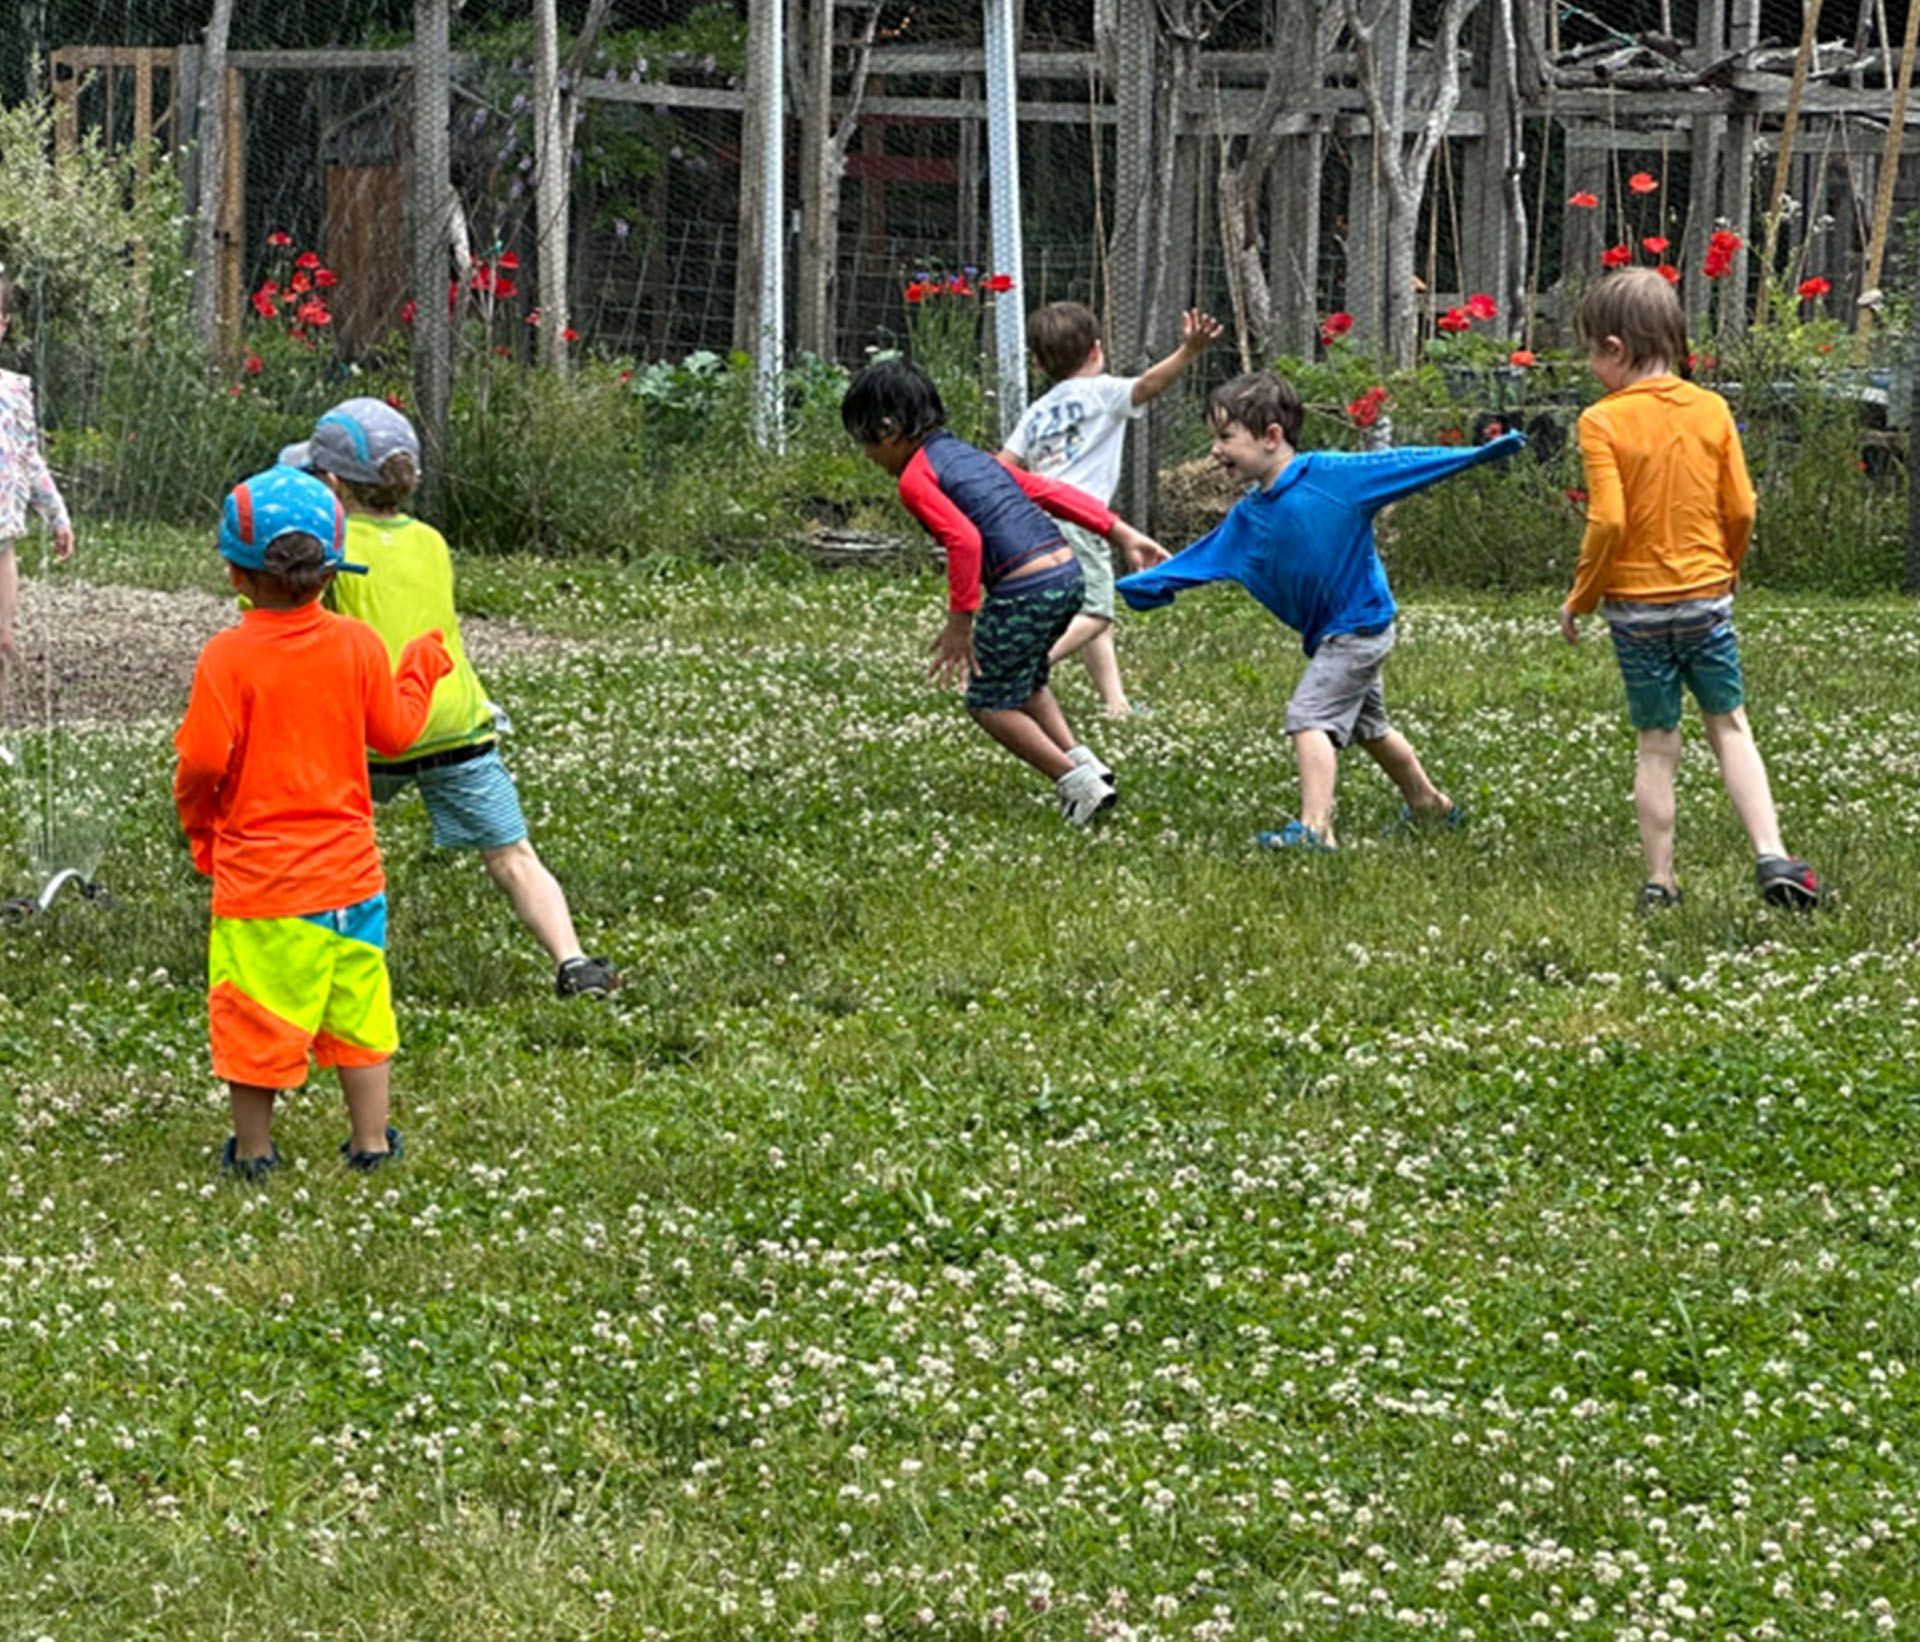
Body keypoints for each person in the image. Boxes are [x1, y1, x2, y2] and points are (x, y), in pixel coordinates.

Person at [280, 399, 617, 997]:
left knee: (306, 834)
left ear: (331, 483)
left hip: (370, 733)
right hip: (453, 725)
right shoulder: (432, 542)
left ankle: (298, 950)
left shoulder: (330, 549)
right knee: (513, 855)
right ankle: (574, 962)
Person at [174, 466, 453, 1178]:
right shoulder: (358, 644)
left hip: (264, 887)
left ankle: (254, 1152)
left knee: (254, 1014)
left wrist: (201, 823)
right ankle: (371, 1143)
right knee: (360, 1010)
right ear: (331, 572)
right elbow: (395, 734)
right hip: (352, 882)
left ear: (236, 574)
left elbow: (201, 762)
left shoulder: (227, 657)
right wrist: (419, 666)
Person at [1118, 371, 1523, 850]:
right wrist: (1149, 583)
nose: (1214, 450)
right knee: (1371, 729)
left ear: (1271, 437)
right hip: (1334, 632)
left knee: (1309, 717)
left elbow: (1402, 464)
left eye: (1225, 437)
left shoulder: (1332, 477)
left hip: (1359, 626)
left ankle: (1315, 830)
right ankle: (1430, 805)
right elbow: (1204, 556)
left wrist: (1476, 454)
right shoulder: (1249, 515)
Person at [1560, 267, 1821, 910]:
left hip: (1636, 612)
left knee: (1656, 744)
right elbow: (1743, 507)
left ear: (1616, 348)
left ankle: (1661, 881)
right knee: (1729, 725)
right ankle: (1772, 854)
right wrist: (1726, 567)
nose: (1591, 366)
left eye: (1592, 352)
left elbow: (1609, 521)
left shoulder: (1601, 421)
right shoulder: (1712, 410)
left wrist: (1581, 597)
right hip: (1706, 600)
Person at [841, 358, 1167, 824]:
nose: (869, 457)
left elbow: (965, 541)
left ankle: (1076, 784)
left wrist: (960, 624)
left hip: (1023, 589)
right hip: (1066, 575)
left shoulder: (916, 478)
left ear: (888, 430)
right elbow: (1047, 491)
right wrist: (1121, 532)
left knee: (989, 702)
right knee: (1028, 683)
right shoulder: (972, 457)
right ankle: (1083, 761)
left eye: (865, 442)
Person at [1000, 303, 1222, 717]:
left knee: (1095, 616)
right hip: (1080, 521)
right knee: (1097, 614)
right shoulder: (1103, 392)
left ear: (1038, 364)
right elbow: (1149, 385)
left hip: (1035, 521)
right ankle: (1023, 671)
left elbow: (1004, 466)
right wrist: (1189, 351)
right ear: (1096, 350)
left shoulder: (1036, 411)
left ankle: (1116, 704)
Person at [0, 273, 75, 761]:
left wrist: (57, 516)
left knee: (2, 641)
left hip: (0, 544)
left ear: (3, 324)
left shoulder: (13, 391)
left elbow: (29, 459)